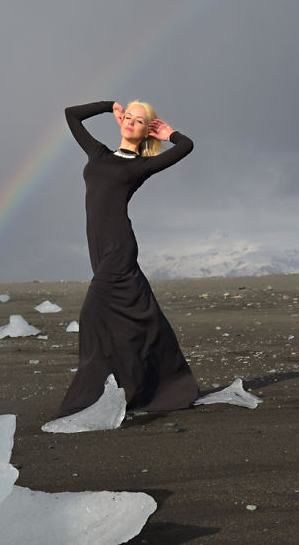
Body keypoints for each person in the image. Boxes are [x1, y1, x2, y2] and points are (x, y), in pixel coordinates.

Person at [56, 100, 200, 417]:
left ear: (145, 130)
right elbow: (72, 115)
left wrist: (168, 132)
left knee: (92, 317)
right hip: (99, 248)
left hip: (118, 250)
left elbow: (186, 146)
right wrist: (109, 106)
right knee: (132, 319)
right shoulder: (98, 153)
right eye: (128, 117)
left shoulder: (138, 166)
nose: (130, 122)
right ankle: (147, 389)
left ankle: (87, 400)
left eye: (138, 121)